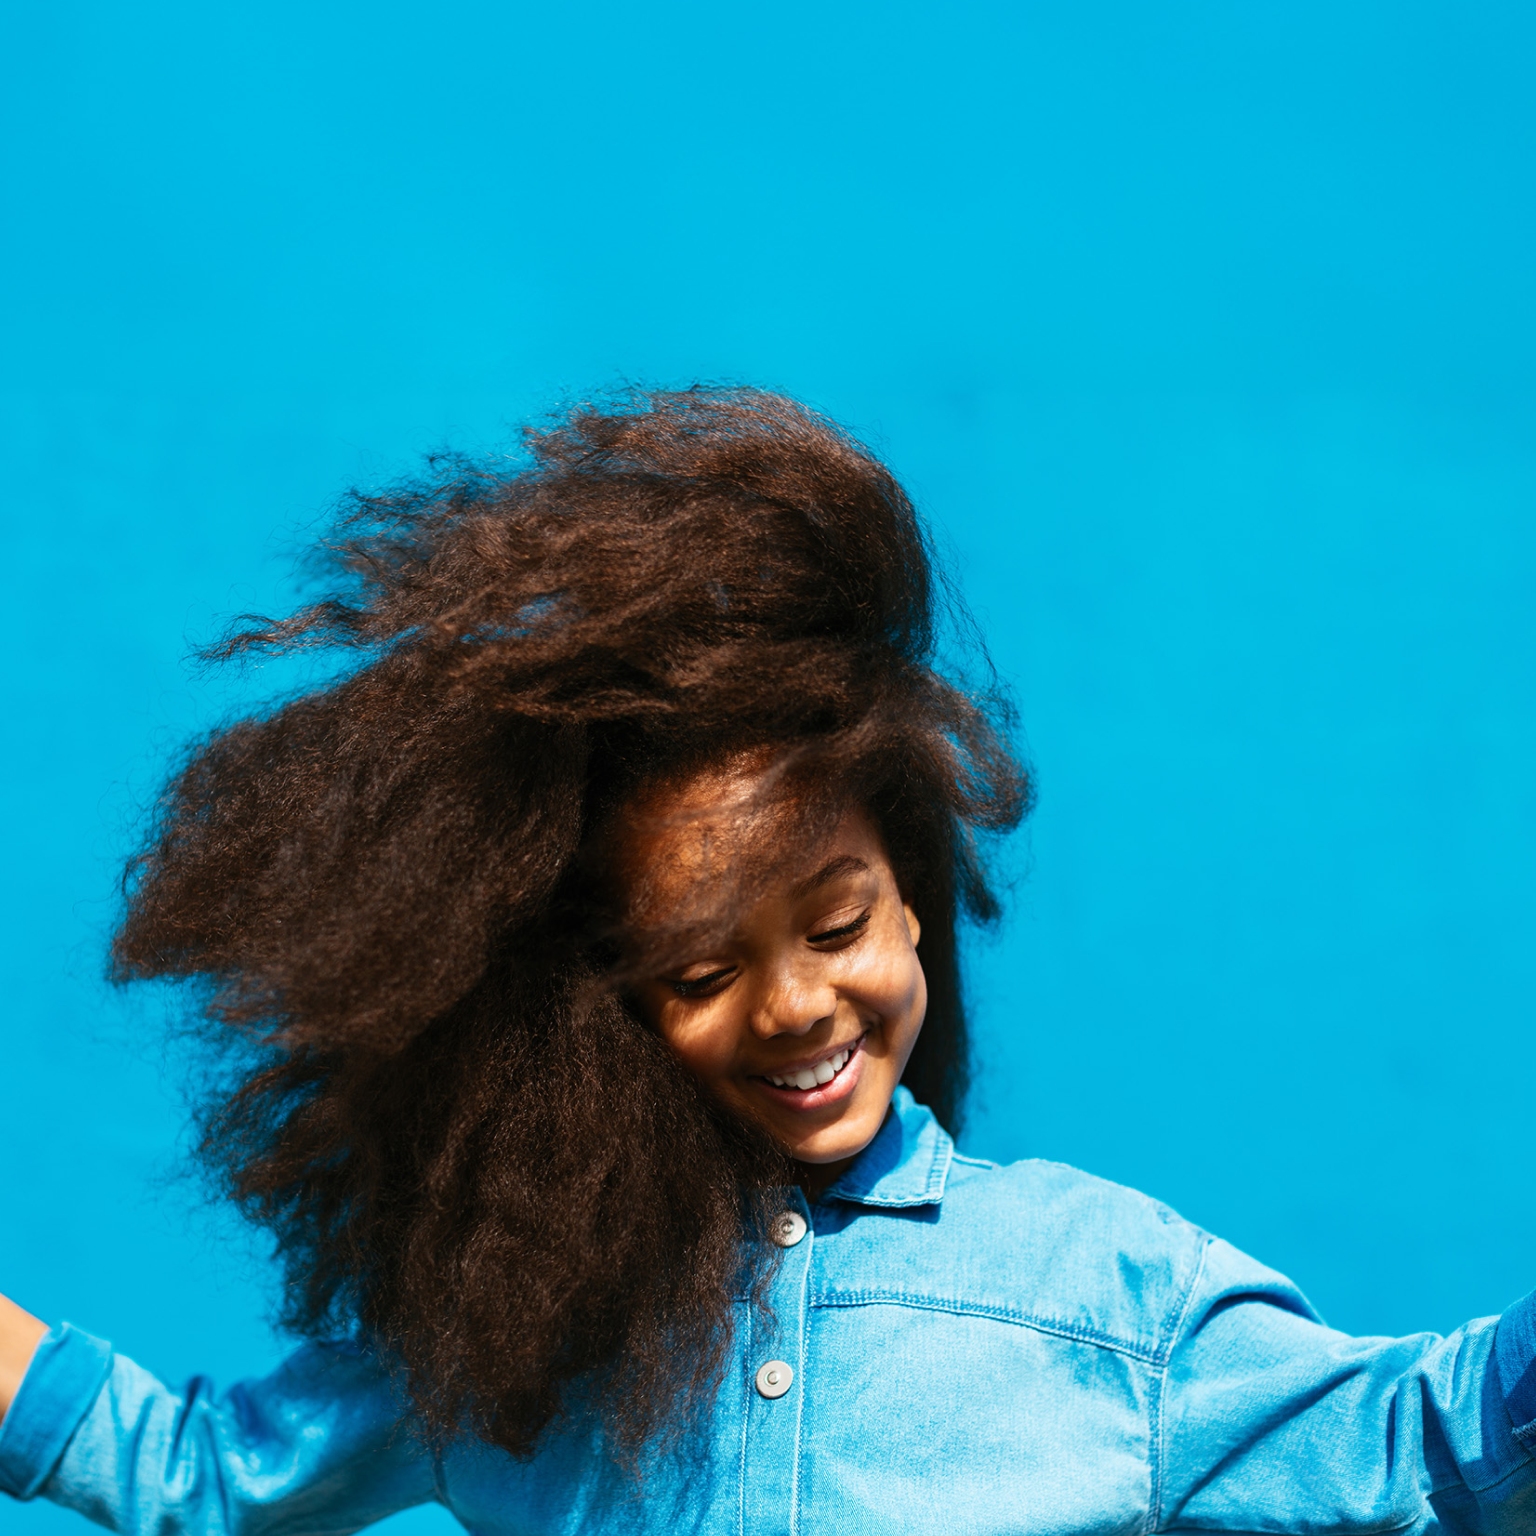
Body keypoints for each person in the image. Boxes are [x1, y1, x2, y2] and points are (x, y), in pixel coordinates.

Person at [0, 388, 1532, 1536]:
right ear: (603, 1013)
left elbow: (1429, 1443)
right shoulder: (520, 1327)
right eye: (696, 968)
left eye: (836, 922)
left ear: (916, 897)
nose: (796, 1003)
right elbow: (200, 1475)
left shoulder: (1100, 1294)